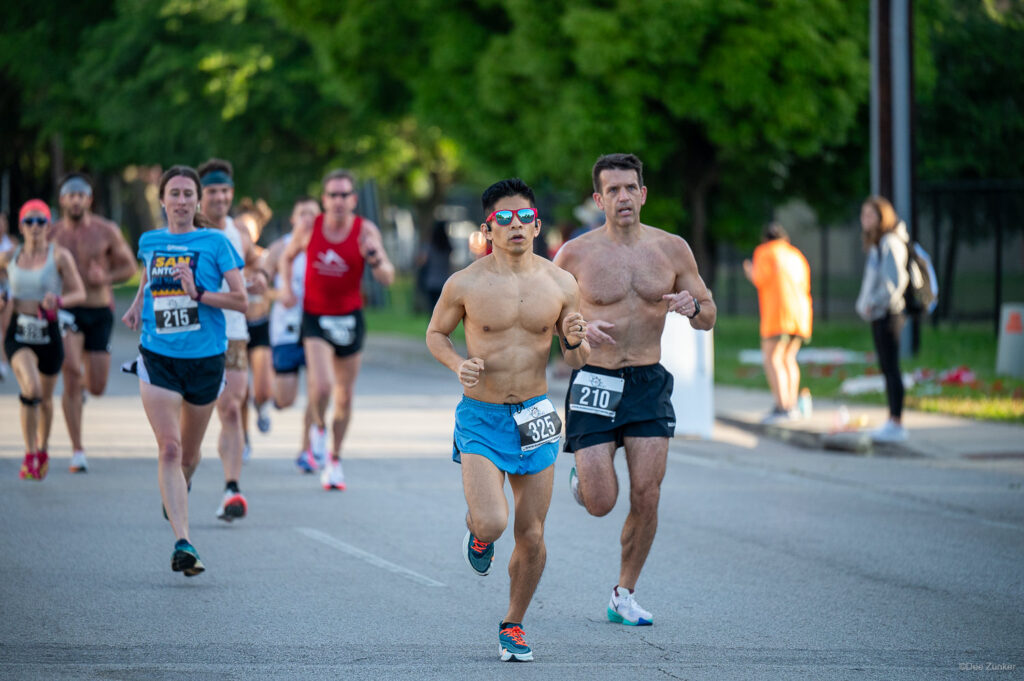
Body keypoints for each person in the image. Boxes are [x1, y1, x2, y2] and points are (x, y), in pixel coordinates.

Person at [426, 178, 590, 662]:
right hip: (482, 415)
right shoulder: (466, 283)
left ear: (537, 224)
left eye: (523, 217)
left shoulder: (562, 284)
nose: (514, 225)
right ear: (487, 228)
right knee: (494, 521)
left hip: (536, 414)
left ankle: (513, 625)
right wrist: (460, 366)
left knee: (533, 533)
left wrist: (577, 341)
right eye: (503, 218)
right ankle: (478, 533)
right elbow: (436, 335)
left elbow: (575, 360)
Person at [553, 153, 716, 627]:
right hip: (595, 380)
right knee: (602, 502)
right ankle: (584, 480)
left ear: (643, 194)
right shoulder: (574, 255)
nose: (623, 197)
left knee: (647, 494)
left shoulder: (671, 250)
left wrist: (691, 306)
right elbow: (551, 327)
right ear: (598, 199)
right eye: (613, 190)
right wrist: (578, 328)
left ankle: (624, 593)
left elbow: (708, 315)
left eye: (631, 188)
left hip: (646, 380)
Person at [122, 165, 247, 576]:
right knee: (170, 449)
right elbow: (149, 270)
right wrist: (139, 300)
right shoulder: (149, 241)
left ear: (197, 201)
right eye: (173, 193)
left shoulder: (216, 242)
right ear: (162, 200)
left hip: (206, 359)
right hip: (157, 355)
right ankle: (184, 542)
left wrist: (198, 293)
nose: (180, 201)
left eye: (187, 194)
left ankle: (175, 491)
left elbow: (241, 300)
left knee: (189, 455)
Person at [280, 169, 394, 491]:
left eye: (345, 195)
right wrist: (287, 290)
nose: (339, 201)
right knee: (323, 386)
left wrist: (374, 258)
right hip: (315, 316)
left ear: (354, 200)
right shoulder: (309, 227)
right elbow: (287, 259)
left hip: (350, 319)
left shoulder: (364, 231)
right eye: (333, 195)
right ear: (324, 200)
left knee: (344, 398)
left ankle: (334, 460)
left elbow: (388, 276)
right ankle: (317, 428)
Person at [52, 173, 138, 473]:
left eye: (81, 195)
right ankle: (77, 450)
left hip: (98, 309)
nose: (75, 200)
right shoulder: (52, 234)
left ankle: (86, 389)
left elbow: (129, 266)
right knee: (72, 372)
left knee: (98, 385)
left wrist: (107, 278)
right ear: (62, 200)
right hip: (67, 311)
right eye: (70, 195)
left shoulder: (105, 231)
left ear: (89, 199)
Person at [197, 158, 264, 520]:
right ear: (200, 194)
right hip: (196, 330)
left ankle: (232, 488)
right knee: (196, 411)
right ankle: (181, 472)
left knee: (232, 407)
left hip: (234, 332)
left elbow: (255, 260)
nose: (220, 197)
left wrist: (260, 277)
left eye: (225, 190)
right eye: (212, 191)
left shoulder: (239, 230)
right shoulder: (191, 230)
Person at [1, 200, 86, 479]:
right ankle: (29, 454)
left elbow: (79, 294)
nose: (35, 227)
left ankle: (43, 448)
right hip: (19, 332)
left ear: (48, 226)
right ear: (21, 226)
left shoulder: (59, 256)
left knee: (46, 399)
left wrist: (58, 300)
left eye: (41, 222)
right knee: (32, 389)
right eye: (29, 221)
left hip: (48, 332)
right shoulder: (9, 256)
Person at [265, 196, 321, 470]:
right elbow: (262, 286)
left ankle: (306, 450)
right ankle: (271, 401)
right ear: (293, 218)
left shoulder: (325, 247)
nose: (308, 218)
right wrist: (281, 293)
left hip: (317, 329)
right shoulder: (279, 248)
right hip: (285, 330)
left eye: (313, 213)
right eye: (303, 213)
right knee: (286, 399)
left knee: (316, 391)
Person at [742, 222, 813, 423]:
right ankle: (791, 405)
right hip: (801, 314)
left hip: (778, 313)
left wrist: (749, 272)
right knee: (789, 358)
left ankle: (783, 407)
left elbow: (760, 277)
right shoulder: (796, 255)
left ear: (766, 239)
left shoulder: (765, 252)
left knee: (773, 359)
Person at [855, 195, 910, 443]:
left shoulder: (890, 242)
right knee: (886, 368)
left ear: (882, 217)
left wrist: (874, 304)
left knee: (892, 368)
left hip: (890, 313)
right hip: (878, 313)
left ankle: (896, 421)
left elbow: (894, 283)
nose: (864, 220)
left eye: (870, 215)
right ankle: (892, 419)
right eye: (863, 214)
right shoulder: (878, 244)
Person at [416, 220, 453, 313]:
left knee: (432, 309)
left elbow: (421, 261)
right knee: (443, 309)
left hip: (431, 282)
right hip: (444, 281)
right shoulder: (448, 247)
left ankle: (434, 326)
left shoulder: (429, 247)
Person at [0, 211, 16, 381]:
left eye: (2, 222)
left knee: (5, 327)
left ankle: (3, 363)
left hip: (7, 292)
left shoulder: (11, 243)